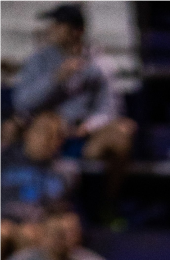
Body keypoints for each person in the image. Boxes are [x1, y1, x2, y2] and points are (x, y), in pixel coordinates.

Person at [11, 4, 136, 208]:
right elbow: (22, 103)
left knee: (121, 134)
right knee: (24, 128)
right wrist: (56, 79)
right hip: (45, 131)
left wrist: (87, 126)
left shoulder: (100, 63)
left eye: (59, 25)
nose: (51, 29)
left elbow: (110, 109)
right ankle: (32, 204)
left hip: (83, 135)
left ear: (77, 31)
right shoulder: (38, 60)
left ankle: (105, 207)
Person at [0, 111, 71, 225]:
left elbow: (62, 213)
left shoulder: (64, 174)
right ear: (27, 133)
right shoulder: (4, 159)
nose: (46, 140)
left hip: (40, 230)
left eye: (54, 135)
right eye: (42, 131)